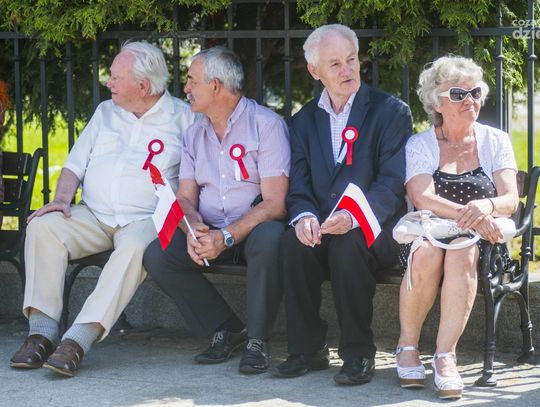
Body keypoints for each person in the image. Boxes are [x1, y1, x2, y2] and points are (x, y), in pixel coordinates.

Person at [9, 41, 197, 377]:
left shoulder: (183, 118)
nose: (108, 83)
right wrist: (62, 200)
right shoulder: (105, 112)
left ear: (143, 86)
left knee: (136, 247)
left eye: (116, 77)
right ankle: (41, 332)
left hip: (146, 219)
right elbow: (75, 164)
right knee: (43, 226)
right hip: (94, 215)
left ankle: (77, 340)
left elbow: (194, 177)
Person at [269, 24, 412, 385]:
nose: (347, 70)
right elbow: (299, 184)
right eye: (335, 64)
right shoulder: (302, 121)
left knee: (349, 245)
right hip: (324, 225)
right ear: (314, 71)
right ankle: (307, 350)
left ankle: (358, 353)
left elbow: (392, 183)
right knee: (293, 243)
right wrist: (303, 217)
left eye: (351, 60)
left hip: (375, 228)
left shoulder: (389, 112)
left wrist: (353, 216)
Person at [143, 46, 290, 374]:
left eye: (192, 81)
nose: (186, 88)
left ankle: (257, 340)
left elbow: (276, 203)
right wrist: (193, 229)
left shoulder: (266, 125)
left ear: (215, 85)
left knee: (270, 239)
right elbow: (185, 197)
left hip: (252, 230)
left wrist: (227, 236)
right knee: (159, 255)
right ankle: (225, 327)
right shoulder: (194, 133)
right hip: (211, 229)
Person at [395, 56, 518, 399]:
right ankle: (407, 346)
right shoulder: (420, 144)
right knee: (427, 252)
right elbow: (422, 197)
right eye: (458, 94)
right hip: (430, 233)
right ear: (437, 103)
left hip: (483, 241)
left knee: (462, 252)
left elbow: (510, 199)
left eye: (475, 92)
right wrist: (472, 213)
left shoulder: (495, 140)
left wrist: (485, 209)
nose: (470, 100)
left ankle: (445, 357)